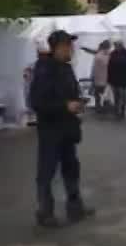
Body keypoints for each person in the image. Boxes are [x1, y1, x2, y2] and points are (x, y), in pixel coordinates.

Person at [29, 30, 94, 228]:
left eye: (70, 46)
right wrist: (65, 106)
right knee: (47, 171)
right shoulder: (44, 70)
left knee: (71, 168)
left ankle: (75, 207)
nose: (70, 50)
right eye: (66, 46)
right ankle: (45, 212)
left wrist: (78, 102)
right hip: (50, 130)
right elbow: (37, 102)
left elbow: (70, 93)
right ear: (56, 48)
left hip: (67, 128)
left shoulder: (66, 68)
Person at [85, 40, 111, 113]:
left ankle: (99, 107)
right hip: (104, 77)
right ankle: (102, 107)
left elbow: (93, 51)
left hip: (100, 77)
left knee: (99, 93)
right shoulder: (106, 54)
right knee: (102, 94)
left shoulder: (101, 54)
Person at [106, 40, 126, 119]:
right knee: (116, 96)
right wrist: (109, 78)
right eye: (115, 45)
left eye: (117, 45)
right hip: (114, 79)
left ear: (121, 45)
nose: (116, 47)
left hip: (123, 80)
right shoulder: (113, 53)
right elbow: (109, 67)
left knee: (122, 96)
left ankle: (122, 111)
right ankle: (116, 111)